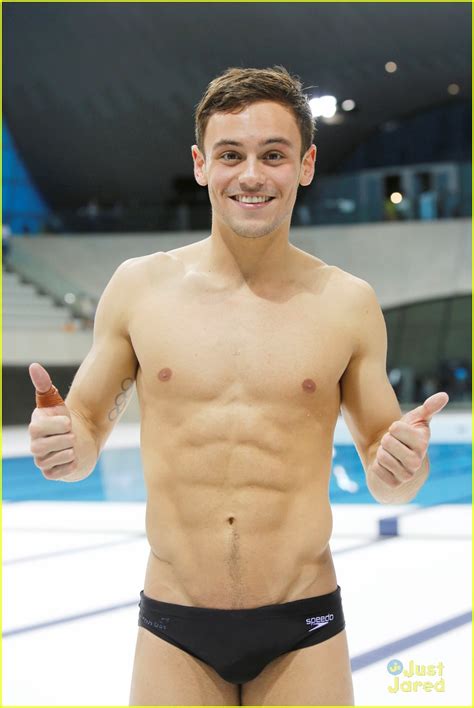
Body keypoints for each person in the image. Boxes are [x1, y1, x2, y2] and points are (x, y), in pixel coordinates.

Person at [28, 66, 449, 706]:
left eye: (273, 155)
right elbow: (84, 431)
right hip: (176, 623)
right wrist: (65, 444)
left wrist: (403, 469)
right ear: (201, 164)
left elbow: (387, 470)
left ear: (305, 164)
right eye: (231, 155)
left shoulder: (347, 304)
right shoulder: (140, 289)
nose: (251, 175)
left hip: (302, 624)